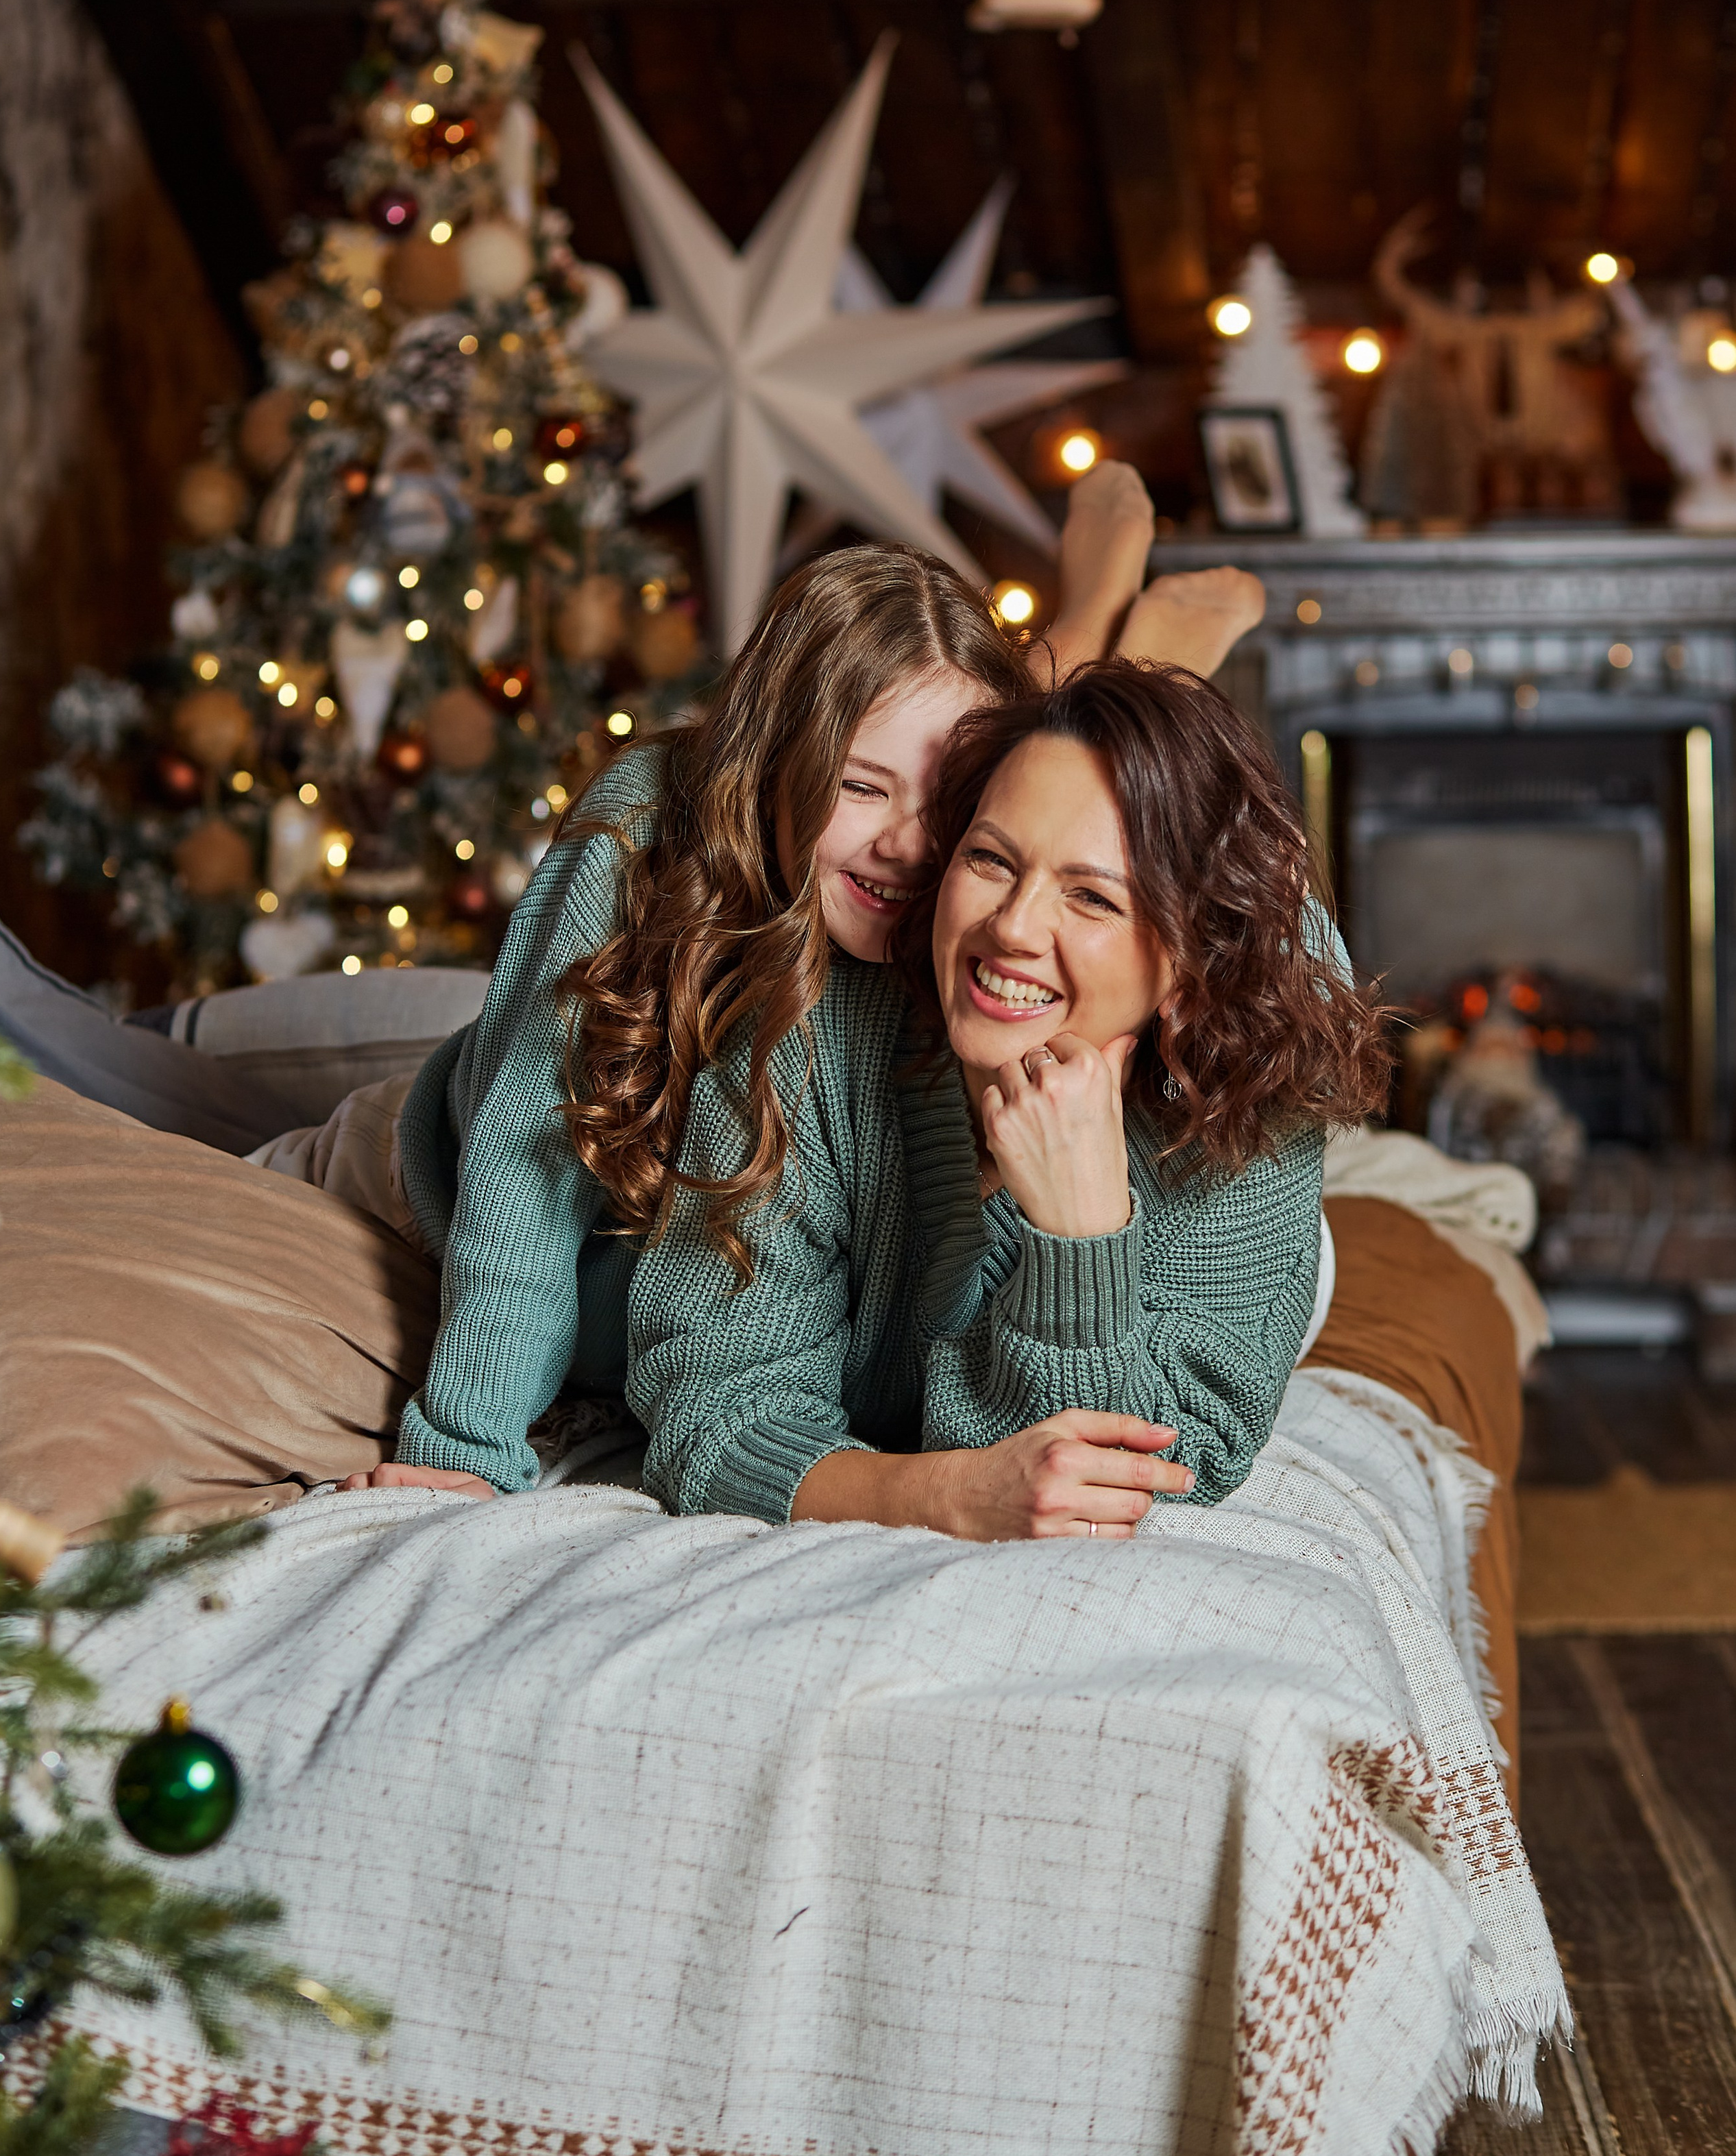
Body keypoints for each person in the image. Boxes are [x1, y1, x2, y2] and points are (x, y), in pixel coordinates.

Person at [328, 471, 1267, 1498]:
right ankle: (1115, 640)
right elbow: (524, 1169)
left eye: (950, 801)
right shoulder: (645, 834)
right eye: (859, 787)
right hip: (476, 1172)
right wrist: (465, 1446)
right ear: (775, 760)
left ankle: (1109, 651)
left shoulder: (954, 903)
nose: (910, 847)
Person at [620, 662, 1389, 1536]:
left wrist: (1081, 1234)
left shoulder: (1256, 1089)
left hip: (1196, 1247)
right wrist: (952, 1494)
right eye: (990, 859)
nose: (1013, 929)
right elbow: (714, 1417)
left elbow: (1141, 1470)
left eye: (1092, 897)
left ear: (1187, 961)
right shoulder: (808, 1034)